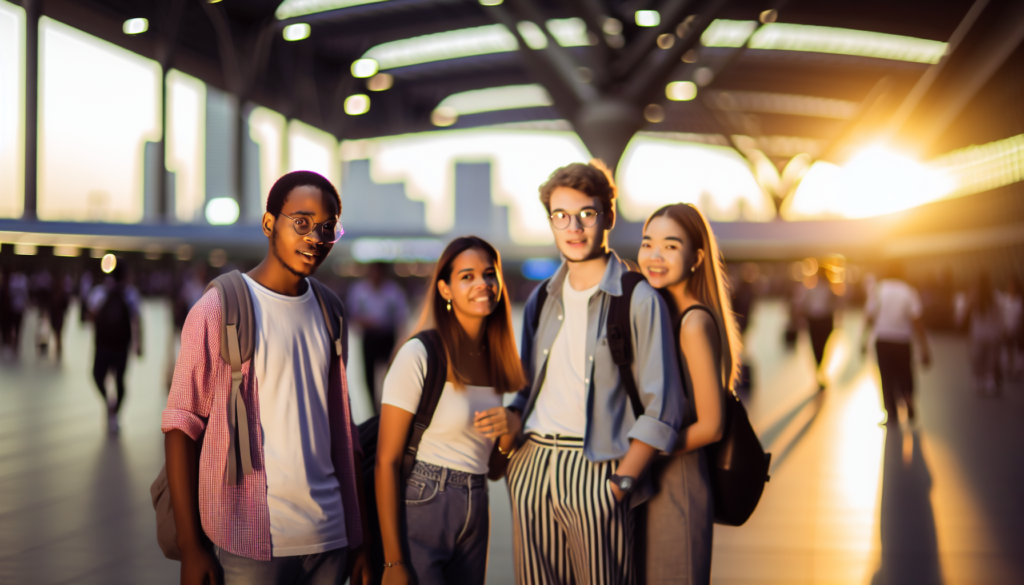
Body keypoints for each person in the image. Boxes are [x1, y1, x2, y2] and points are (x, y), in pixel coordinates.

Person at [161, 171, 371, 585]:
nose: (316, 236)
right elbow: (180, 425)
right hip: (248, 540)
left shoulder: (331, 311)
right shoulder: (219, 307)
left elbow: (342, 432)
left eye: (328, 228)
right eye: (302, 222)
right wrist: (190, 546)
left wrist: (359, 539)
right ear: (269, 223)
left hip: (329, 537)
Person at [507, 161, 685, 585]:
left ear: (608, 215)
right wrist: (514, 446)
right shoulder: (541, 298)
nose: (574, 226)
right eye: (561, 215)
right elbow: (526, 386)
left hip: (597, 470)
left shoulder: (637, 298)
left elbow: (665, 406)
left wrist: (621, 482)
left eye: (586, 213)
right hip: (532, 466)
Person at [375, 236, 527, 585]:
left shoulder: (496, 362)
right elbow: (387, 461)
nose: (482, 284)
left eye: (489, 274)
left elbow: (491, 469)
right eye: (467, 276)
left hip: (477, 503)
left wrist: (509, 434)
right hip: (424, 501)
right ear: (445, 289)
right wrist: (393, 562)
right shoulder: (420, 354)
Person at [636, 203, 743, 584]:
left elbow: (712, 427)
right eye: (648, 243)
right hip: (656, 483)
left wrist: (644, 452)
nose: (654, 256)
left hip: (677, 486)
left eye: (670, 246)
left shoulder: (694, 322)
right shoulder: (663, 313)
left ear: (697, 258)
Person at [863, 261, 931, 424]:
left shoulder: (878, 289)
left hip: (883, 339)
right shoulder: (909, 291)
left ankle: (891, 413)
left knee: (886, 376)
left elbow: (870, 315)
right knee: (905, 372)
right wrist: (924, 347)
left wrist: (864, 339)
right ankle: (907, 396)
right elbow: (917, 319)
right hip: (903, 340)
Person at [87, 261, 142, 433]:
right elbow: (136, 320)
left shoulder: (100, 292)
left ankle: (110, 406)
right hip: (121, 345)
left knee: (97, 376)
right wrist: (138, 343)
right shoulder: (130, 294)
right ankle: (114, 411)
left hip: (103, 344)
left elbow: (91, 315)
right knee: (120, 381)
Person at [348, 262, 408, 411]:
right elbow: (354, 314)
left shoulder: (393, 291)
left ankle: (388, 405)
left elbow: (401, 316)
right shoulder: (360, 290)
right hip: (370, 338)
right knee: (368, 376)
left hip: (387, 336)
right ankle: (374, 409)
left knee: (390, 374)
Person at [796, 264, 839, 389]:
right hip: (823, 320)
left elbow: (802, 304)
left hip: (816, 320)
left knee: (817, 346)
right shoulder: (827, 288)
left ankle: (819, 368)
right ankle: (820, 369)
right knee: (822, 346)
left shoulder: (813, 288)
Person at [960, 272, 1003, 396]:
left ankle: (978, 381)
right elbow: (1000, 316)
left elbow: (964, 314)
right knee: (991, 360)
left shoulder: (974, 296)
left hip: (978, 334)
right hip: (993, 334)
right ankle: (990, 382)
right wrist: (1001, 331)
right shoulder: (995, 296)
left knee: (977, 359)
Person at [997, 276, 1022, 377]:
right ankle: (1009, 367)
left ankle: (1015, 369)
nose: (1010, 287)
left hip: (1016, 329)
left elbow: (1018, 317)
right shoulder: (1005, 298)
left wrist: (1014, 329)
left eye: (1012, 285)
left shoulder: (1019, 301)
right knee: (1007, 348)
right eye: (1009, 285)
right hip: (1005, 328)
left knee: (1014, 349)